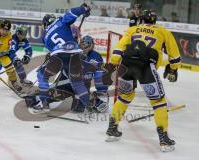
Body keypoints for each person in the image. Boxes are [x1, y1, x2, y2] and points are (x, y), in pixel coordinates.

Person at [106, 10, 181, 152]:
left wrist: (114, 63)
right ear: (155, 21)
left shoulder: (133, 29)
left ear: (141, 20)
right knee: (158, 102)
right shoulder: (163, 31)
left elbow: (119, 49)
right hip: (146, 67)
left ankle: (112, 128)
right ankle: (164, 139)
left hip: (126, 65)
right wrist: (173, 68)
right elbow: (175, 55)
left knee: (124, 97)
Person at [26, 4, 91, 113]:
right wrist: (83, 9)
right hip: (75, 55)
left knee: (42, 76)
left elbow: (52, 49)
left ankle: (44, 102)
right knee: (77, 81)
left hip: (59, 56)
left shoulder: (44, 36)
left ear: (45, 24)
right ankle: (88, 104)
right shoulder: (60, 21)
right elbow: (73, 12)